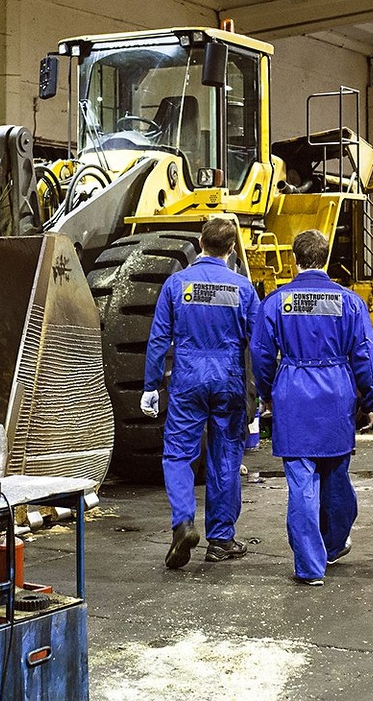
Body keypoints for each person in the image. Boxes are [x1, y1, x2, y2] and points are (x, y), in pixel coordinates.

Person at [249, 229, 373, 586]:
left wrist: (267, 392)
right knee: (337, 476)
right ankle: (333, 545)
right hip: (337, 392)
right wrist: (369, 398)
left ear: (294, 259)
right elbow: (364, 354)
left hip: (292, 390)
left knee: (302, 482)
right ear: (327, 257)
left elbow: (261, 355)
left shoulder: (275, 302)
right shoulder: (350, 302)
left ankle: (309, 566)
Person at [143, 217, 260, 569]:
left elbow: (159, 337)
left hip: (188, 376)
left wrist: (150, 385)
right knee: (225, 458)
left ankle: (183, 523)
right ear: (231, 249)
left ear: (199, 242)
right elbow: (259, 343)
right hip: (228, 378)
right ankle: (221, 541)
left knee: (178, 455)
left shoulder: (176, 284)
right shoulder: (243, 288)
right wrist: (260, 389)